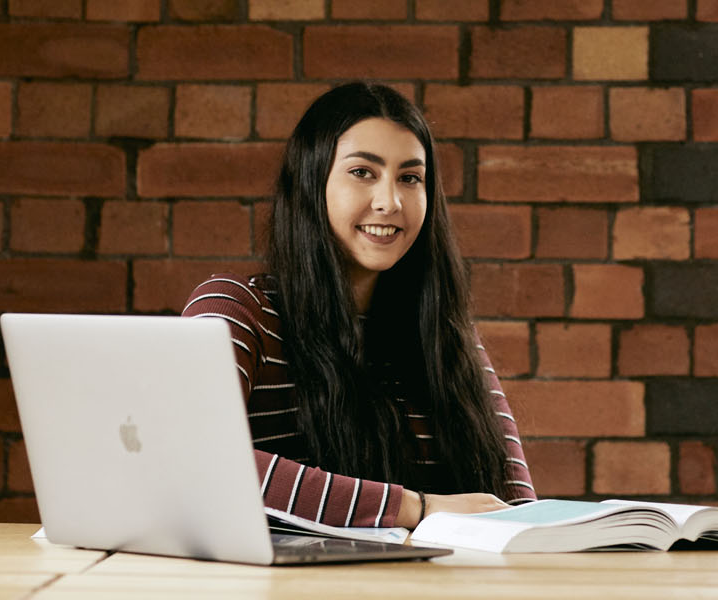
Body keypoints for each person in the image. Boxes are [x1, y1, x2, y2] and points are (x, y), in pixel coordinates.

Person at [181, 83, 536, 529]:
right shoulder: (238, 309)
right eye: (363, 173)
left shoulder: (446, 335)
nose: (390, 202)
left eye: (410, 178)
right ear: (311, 183)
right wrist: (414, 507)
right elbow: (189, 454)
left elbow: (516, 507)